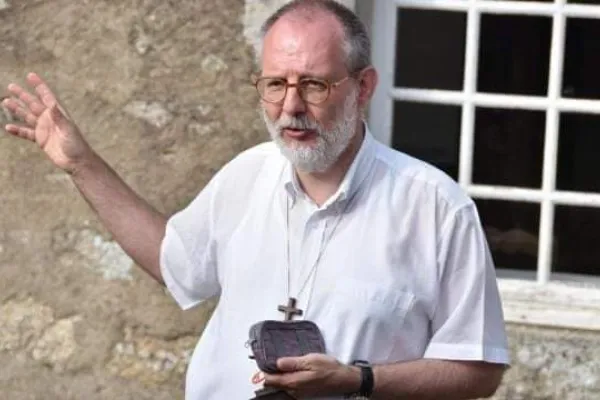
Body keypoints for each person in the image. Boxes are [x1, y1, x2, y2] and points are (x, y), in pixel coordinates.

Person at [2, 0, 510, 399]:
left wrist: (359, 380)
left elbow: (478, 370)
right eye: (275, 84)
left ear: (363, 87)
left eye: (313, 84)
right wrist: (82, 164)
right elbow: (172, 259)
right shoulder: (244, 175)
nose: (291, 107)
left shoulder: (437, 209)